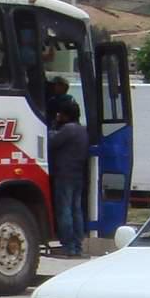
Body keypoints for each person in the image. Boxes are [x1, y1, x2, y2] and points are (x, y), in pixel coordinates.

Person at [47, 98, 89, 259]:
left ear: (65, 115)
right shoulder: (82, 130)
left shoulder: (68, 129)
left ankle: (68, 246)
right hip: (78, 174)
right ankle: (78, 246)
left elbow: (50, 141)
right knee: (76, 210)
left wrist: (52, 124)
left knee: (64, 211)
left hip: (64, 175)